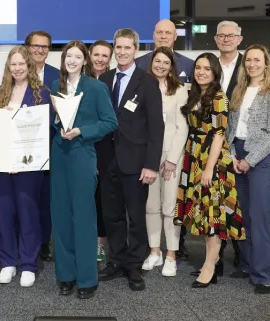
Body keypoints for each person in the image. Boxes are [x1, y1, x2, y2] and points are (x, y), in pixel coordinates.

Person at [49, 40, 118, 299]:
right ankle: (65, 275)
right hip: (59, 155)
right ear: (64, 59)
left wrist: (82, 131)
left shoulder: (97, 88)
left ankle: (87, 278)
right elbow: (55, 122)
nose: (73, 60)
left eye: (78, 56)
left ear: (85, 60)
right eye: (69, 56)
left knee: (84, 217)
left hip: (82, 154)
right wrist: (58, 121)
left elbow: (110, 122)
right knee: (61, 216)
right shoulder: (56, 86)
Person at [97, 28, 163, 292]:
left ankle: (134, 264)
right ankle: (116, 259)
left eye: (127, 47)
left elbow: (156, 128)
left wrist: (151, 164)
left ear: (136, 49)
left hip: (136, 163)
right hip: (107, 160)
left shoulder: (147, 82)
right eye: (118, 47)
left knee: (135, 216)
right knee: (112, 215)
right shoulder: (104, 80)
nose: (122, 52)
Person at [175, 52, 243, 289]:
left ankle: (210, 267)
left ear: (215, 72)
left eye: (207, 68)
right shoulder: (196, 93)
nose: (201, 72)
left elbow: (218, 135)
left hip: (211, 160)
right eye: (198, 67)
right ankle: (211, 261)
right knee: (203, 213)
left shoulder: (219, 97)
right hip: (194, 155)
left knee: (213, 215)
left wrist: (209, 168)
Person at [226, 45, 270, 294]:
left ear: (266, 64)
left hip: (262, 159)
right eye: (248, 60)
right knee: (245, 217)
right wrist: (232, 155)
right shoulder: (238, 90)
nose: (251, 64)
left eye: (257, 60)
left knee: (261, 219)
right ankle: (250, 265)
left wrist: (249, 160)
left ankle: (265, 276)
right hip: (237, 154)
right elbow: (230, 128)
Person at [0, 45, 51, 287]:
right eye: (12, 64)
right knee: (3, 212)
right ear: (8, 67)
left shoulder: (41, 93)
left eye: (21, 64)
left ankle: (28, 263)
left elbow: (43, 130)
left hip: (28, 165)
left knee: (28, 213)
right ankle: (7, 262)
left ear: (29, 66)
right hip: (2, 165)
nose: (17, 68)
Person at [141, 47, 189, 277]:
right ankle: (154, 251)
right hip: (148, 156)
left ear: (171, 67)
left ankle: (171, 254)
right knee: (151, 206)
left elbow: (182, 127)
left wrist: (171, 159)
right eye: (157, 61)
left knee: (170, 207)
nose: (160, 65)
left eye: (165, 62)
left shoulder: (179, 90)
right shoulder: (142, 86)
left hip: (171, 156)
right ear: (151, 63)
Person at [209, 20, 244, 266]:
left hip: (238, 142)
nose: (226, 39)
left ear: (239, 39)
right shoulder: (208, 66)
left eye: (231, 35)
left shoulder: (249, 65)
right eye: (222, 35)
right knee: (216, 200)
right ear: (216, 39)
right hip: (211, 142)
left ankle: (243, 257)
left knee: (237, 201)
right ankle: (215, 258)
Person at [26, 30, 59, 262]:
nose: (40, 50)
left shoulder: (58, 76)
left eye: (44, 47)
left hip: (50, 143)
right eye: (36, 46)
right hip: (23, 145)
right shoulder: (16, 72)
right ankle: (27, 238)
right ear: (28, 47)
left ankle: (44, 242)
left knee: (46, 196)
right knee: (26, 195)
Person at [85, 39, 113, 262]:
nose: (100, 59)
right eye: (97, 54)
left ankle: (100, 243)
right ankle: (83, 240)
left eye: (105, 55)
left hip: (105, 147)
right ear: (89, 55)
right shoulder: (78, 80)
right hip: (81, 146)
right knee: (83, 198)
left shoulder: (112, 82)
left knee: (101, 198)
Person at [135, 19, 195, 83]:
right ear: (153, 36)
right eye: (159, 32)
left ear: (175, 36)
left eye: (168, 33)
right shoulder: (137, 64)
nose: (163, 36)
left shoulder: (189, 65)